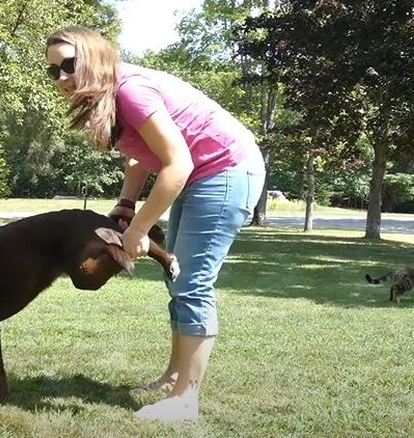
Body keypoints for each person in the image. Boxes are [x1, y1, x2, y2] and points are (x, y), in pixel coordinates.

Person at [45, 26, 266, 420]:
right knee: (178, 279)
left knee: (193, 282)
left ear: (94, 58)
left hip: (224, 170)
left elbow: (176, 165)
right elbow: (140, 155)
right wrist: (127, 205)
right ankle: (173, 379)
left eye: (69, 65)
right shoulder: (110, 96)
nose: (61, 78)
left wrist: (138, 231)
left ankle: (185, 401)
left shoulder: (131, 90)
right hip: (203, 174)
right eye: (53, 72)